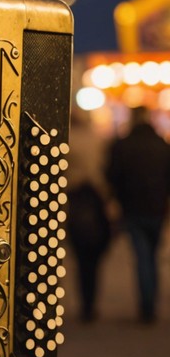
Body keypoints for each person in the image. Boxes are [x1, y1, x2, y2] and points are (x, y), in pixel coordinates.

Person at [106, 105, 170, 324]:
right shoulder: (162, 145)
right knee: (152, 255)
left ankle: (147, 306)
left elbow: (112, 175)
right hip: (157, 209)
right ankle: (151, 303)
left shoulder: (123, 145)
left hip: (132, 209)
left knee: (142, 256)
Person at [66, 108, 112, 322]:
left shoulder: (67, 140)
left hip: (73, 200)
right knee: (93, 257)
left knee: (80, 257)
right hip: (94, 200)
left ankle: (85, 303)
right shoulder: (97, 139)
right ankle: (91, 302)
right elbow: (103, 171)